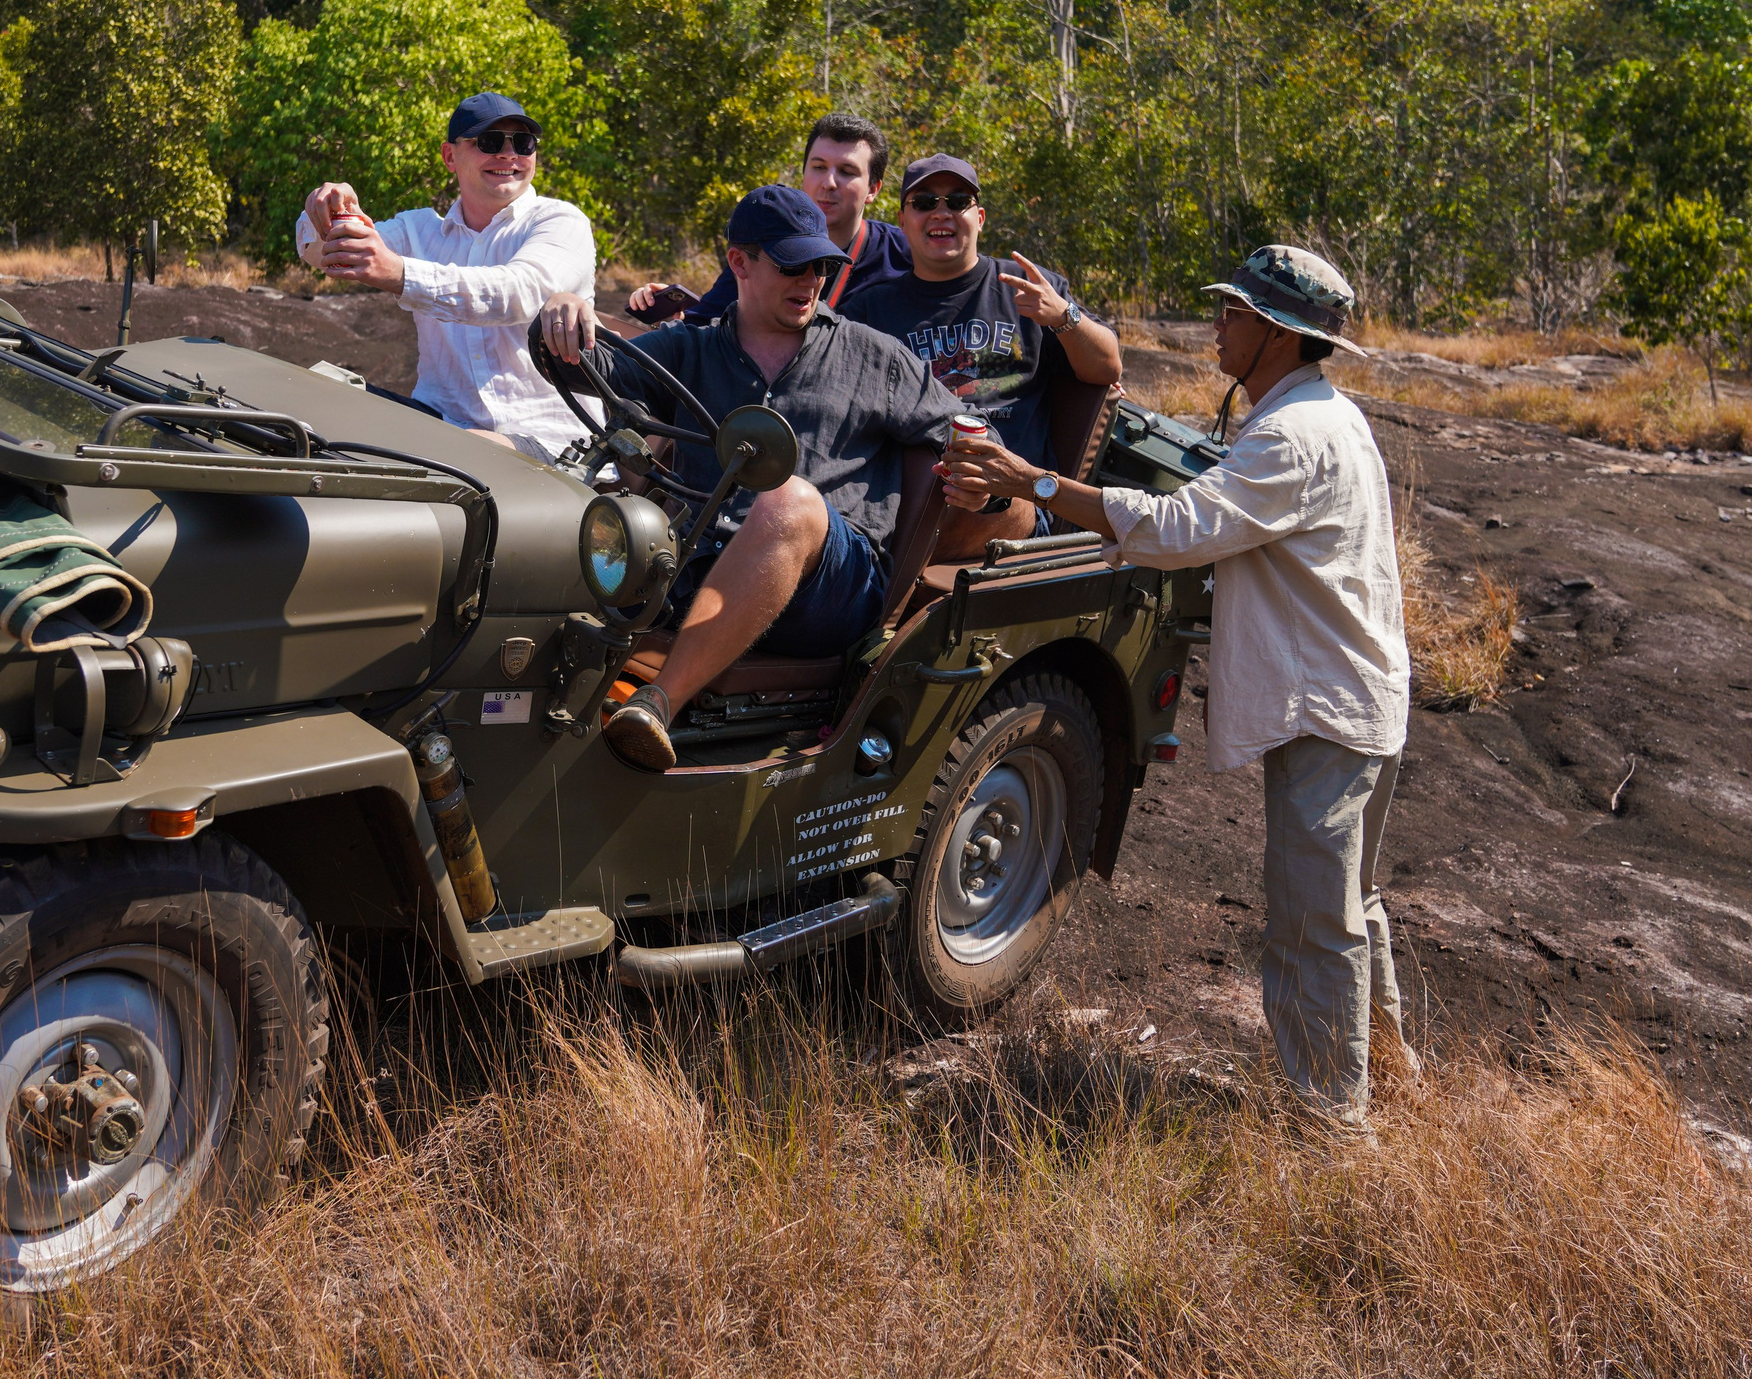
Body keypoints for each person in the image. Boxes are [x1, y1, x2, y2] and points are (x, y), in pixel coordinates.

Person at [937, 245, 1412, 1121]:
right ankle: (1392, 1078)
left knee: (1315, 924)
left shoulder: (1292, 434)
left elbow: (1180, 526)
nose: (1217, 326)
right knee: (1353, 902)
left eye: (1232, 313)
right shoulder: (1323, 416)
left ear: (1275, 332)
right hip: (1360, 697)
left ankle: (1332, 1126)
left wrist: (1031, 480)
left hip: (1328, 711)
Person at [540, 185, 989, 773]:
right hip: (699, 565)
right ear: (740, 263)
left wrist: (986, 483)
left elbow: (976, 438)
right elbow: (579, 366)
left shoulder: (874, 358)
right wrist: (562, 311)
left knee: (787, 503)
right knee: (558, 507)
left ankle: (657, 703)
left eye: (823, 266)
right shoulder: (689, 349)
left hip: (830, 586)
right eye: (792, 265)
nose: (811, 281)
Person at [297, 91, 597, 465]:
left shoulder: (560, 222)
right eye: (489, 141)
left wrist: (399, 273)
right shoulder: (419, 230)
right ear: (449, 157)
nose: (508, 154)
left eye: (523, 143)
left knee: (457, 451)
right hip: (438, 425)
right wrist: (328, 208)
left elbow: (518, 291)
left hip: (551, 446)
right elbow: (317, 251)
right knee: (313, 394)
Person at [839, 153, 1123, 536]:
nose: (942, 213)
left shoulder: (1029, 287)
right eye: (924, 203)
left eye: (958, 202)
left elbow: (1107, 368)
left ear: (980, 218)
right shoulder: (867, 309)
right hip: (901, 494)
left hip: (1012, 497)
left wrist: (1062, 317)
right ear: (903, 221)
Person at [626, 113, 911, 326]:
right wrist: (669, 312)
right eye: (819, 167)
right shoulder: (764, 245)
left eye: (847, 171)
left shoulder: (902, 255)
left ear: (873, 189)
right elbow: (704, 322)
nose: (829, 182)